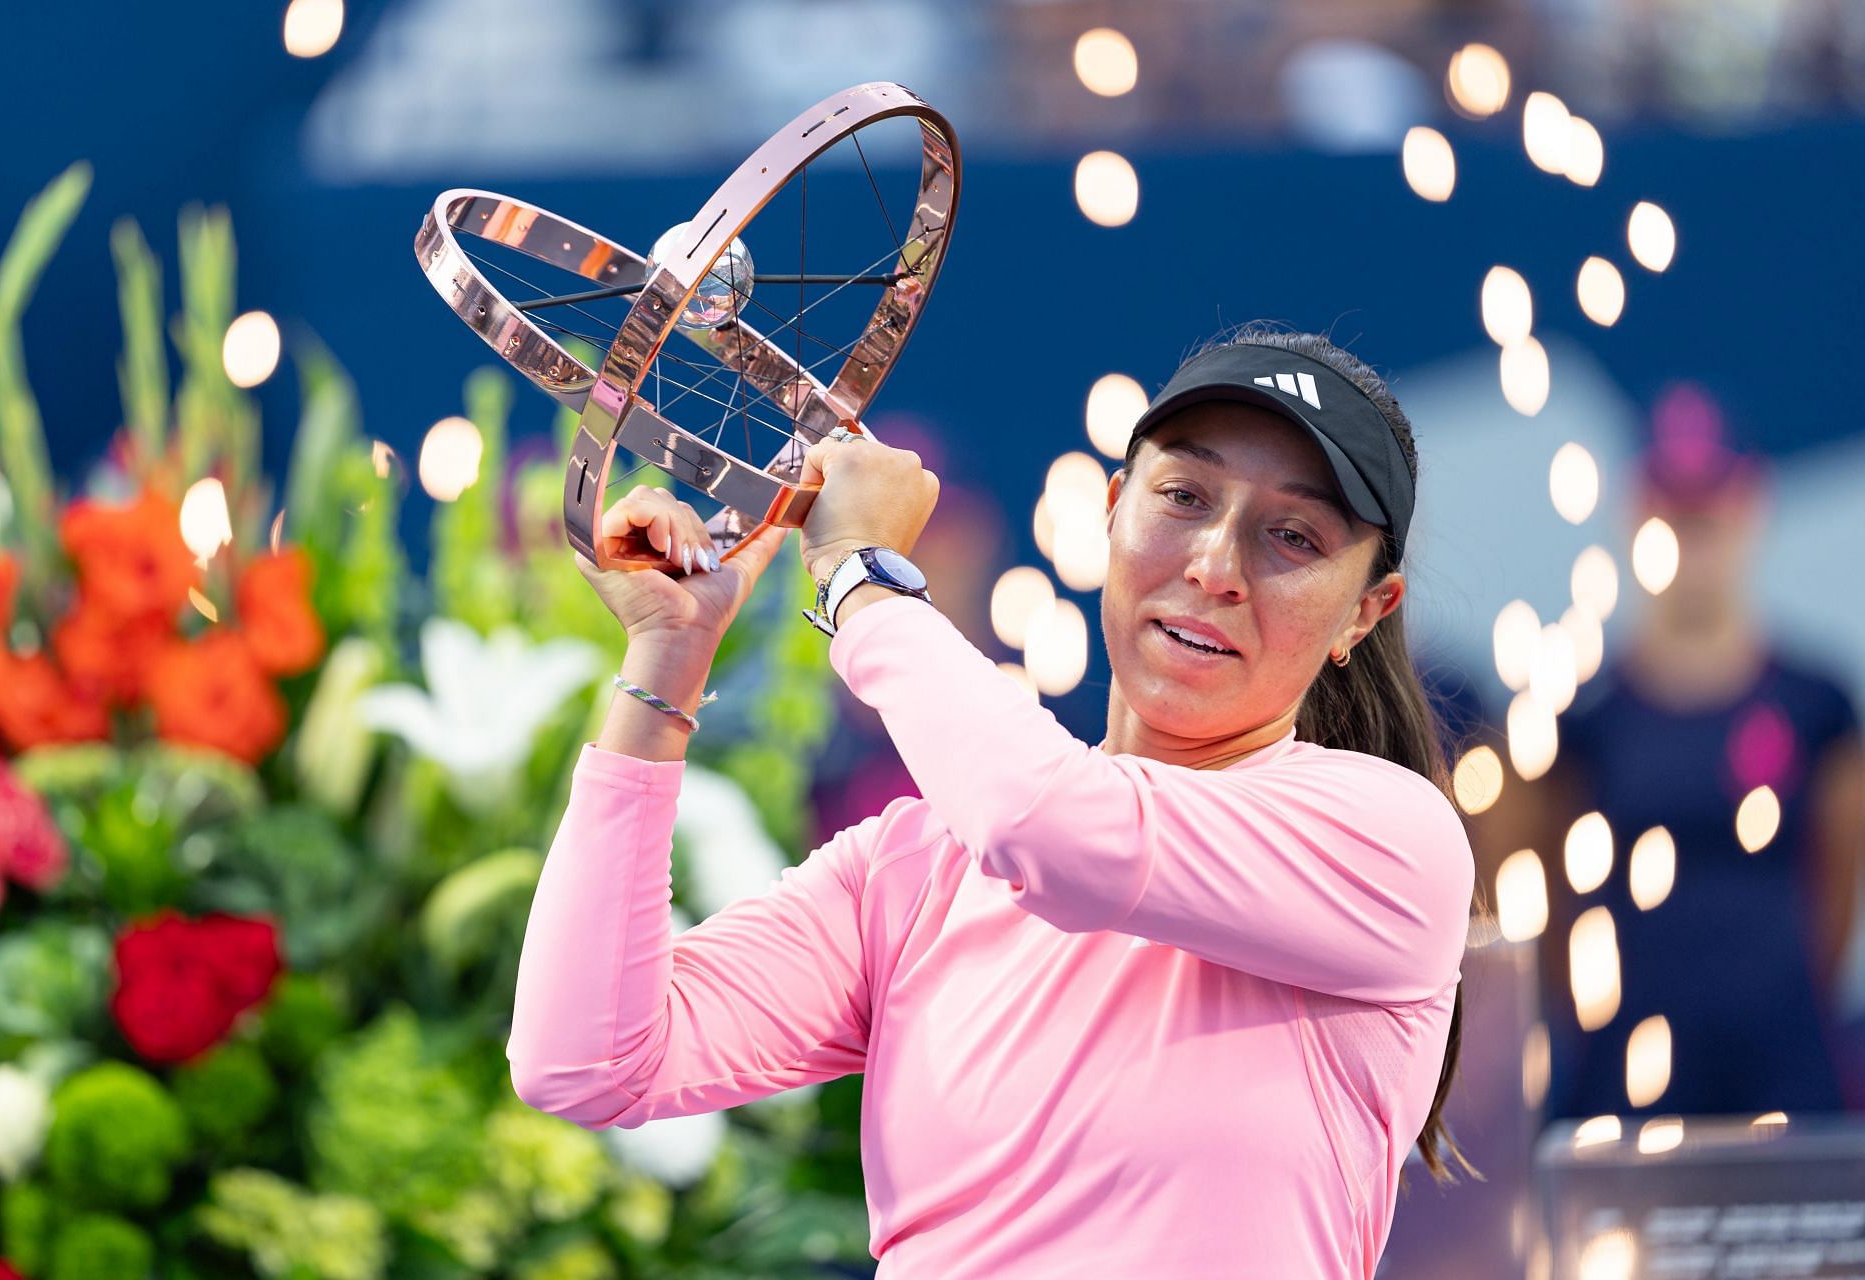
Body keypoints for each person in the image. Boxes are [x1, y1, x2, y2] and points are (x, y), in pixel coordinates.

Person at [509, 328, 1478, 1278]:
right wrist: (669, 658)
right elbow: (585, 1059)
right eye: (1184, 496)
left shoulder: (1393, 836)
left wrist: (860, 574)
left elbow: (1048, 824)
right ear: (1111, 511)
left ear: (1365, 609)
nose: (1215, 566)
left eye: (1293, 536)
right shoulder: (916, 863)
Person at [1509, 384, 1865, 1119]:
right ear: (1637, 515)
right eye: (1674, 510)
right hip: (1629, 1082)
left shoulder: (1817, 706)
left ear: (1750, 509)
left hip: (1786, 1079)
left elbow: (1837, 888)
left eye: (1710, 511)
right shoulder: (1585, 716)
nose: (1692, 534)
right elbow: (1544, 894)